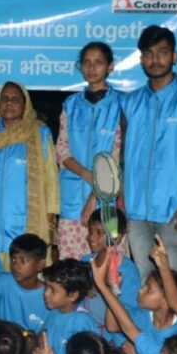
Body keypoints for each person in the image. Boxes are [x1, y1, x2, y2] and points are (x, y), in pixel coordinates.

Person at [121, 25, 177, 280]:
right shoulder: (129, 102)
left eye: (162, 52)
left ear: (174, 56)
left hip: (175, 209)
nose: (155, 59)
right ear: (141, 60)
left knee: (173, 278)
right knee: (145, 279)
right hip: (136, 210)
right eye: (148, 53)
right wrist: (122, 202)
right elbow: (123, 158)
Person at [0, 81, 60, 265]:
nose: (9, 102)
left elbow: (51, 178)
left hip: (26, 224)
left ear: (25, 105)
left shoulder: (39, 133)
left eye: (15, 99)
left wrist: (50, 220)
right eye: (4, 98)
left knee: (26, 274)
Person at [56, 41, 123, 259]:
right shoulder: (70, 104)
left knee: (108, 263)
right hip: (71, 201)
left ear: (110, 67)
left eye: (98, 62)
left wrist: (94, 197)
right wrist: (87, 174)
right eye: (86, 62)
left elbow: (117, 156)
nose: (92, 68)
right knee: (71, 266)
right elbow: (62, 151)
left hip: (106, 203)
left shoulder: (121, 105)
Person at [37, 259, 99, 354]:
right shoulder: (55, 313)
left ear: (72, 295)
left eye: (53, 290)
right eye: (46, 286)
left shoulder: (82, 322)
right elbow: (43, 335)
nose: (45, 293)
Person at [80, 209, 141, 343]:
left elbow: (131, 313)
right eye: (90, 231)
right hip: (84, 328)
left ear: (116, 238)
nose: (91, 237)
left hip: (112, 335)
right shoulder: (86, 261)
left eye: (99, 232)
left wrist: (110, 289)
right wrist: (84, 290)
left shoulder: (128, 271)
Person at [0, 233, 52, 332]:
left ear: (40, 264)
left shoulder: (48, 295)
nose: (16, 266)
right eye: (13, 260)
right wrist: (8, 328)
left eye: (23, 260)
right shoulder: (3, 282)